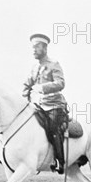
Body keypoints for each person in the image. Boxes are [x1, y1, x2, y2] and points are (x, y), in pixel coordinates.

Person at [23, 33, 68, 174]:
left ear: (45, 48)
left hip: (54, 105)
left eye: (37, 47)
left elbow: (61, 83)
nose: (34, 50)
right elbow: (27, 84)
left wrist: (43, 87)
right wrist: (24, 96)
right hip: (37, 105)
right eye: (32, 47)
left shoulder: (54, 64)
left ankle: (60, 161)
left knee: (53, 129)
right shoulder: (34, 67)